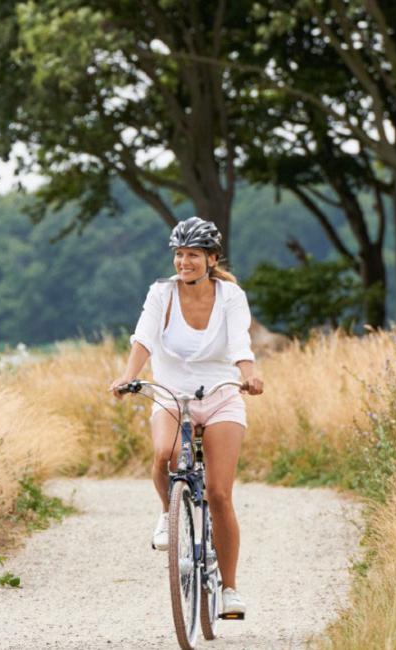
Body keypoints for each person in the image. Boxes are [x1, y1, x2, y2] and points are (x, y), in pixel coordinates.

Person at [108, 216, 265, 619]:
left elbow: (239, 343)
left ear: (211, 259)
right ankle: (168, 512)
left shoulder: (231, 296)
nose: (184, 262)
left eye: (193, 255)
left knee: (219, 493)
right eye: (179, 255)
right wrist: (129, 376)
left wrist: (248, 375)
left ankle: (229, 589)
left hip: (221, 395)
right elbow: (143, 336)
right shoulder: (161, 294)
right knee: (164, 453)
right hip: (172, 394)